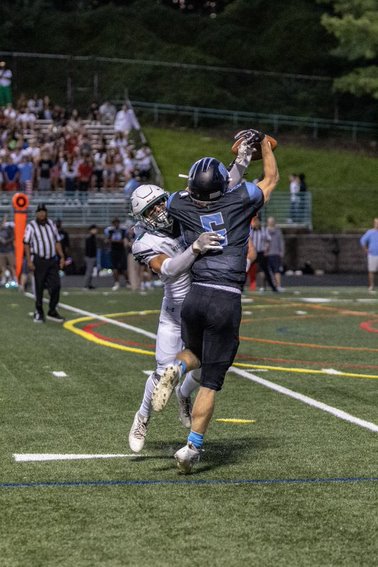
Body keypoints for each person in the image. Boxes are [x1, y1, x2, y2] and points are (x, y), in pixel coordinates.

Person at [153, 131, 279, 473]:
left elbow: (214, 187)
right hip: (225, 297)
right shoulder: (240, 199)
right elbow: (270, 179)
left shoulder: (180, 203)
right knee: (210, 380)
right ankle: (192, 449)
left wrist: (236, 162)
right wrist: (263, 147)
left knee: (193, 353)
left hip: (195, 295)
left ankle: (175, 368)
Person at [128, 184, 224, 452]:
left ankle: (183, 395)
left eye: (160, 203)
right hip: (175, 313)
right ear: (143, 217)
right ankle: (142, 417)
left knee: (207, 367)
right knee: (162, 374)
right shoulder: (143, 242)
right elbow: (168, 269)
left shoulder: (183, 214)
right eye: (151, 209)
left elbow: (214, 185)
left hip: (203, 306)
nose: (159, 210)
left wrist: (241, 159)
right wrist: (194, 248)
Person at [23, 204, 65, 323]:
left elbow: (57, 240)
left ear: (46, 213)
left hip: (52, 260)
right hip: (39, 259)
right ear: (36, 213)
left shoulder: (51, 224)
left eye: (43, 211)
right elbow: (26, 243)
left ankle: (52, 310)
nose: (41, 214)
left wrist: (61, 256)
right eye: (39, 212)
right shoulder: (31, 226)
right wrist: (29, 260)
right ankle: (39, 311)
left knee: (56, 285)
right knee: (39, 287)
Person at [249, 215, 278, 292]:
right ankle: (240, 287)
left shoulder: (264, 230)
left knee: (266, 271)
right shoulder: (251, 231)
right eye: (254, 221)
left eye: (257, 221)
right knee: (246, 268)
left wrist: (266, 250)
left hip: (261, 253)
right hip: (253, 253)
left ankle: (273, 287)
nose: (256, 223)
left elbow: (268, 240)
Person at [104, 218, 129, 291]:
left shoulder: (123, 230)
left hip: (121, 251)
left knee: (124, 268)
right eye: (114, 223)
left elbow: (124, 241)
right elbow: (107, 240)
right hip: (113, 251)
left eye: (117, 223)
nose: (116, 224)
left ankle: (127, 282)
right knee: (114, 268)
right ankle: (116, 283)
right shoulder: (110, 231)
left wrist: (114, 241)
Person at [266, 216, 285, 291]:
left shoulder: (278, 231)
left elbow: (281, 242)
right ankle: (268, 286)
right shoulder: (265, 231)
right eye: (269, 222)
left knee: (277, 270)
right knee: (267, 271)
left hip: (276, 253)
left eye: (272, 221)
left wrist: (281, 251)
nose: (271, 223)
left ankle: (278, 285)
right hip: (267, 254)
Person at [360, 218, 378, 293]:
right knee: (371, 271)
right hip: (372, 254)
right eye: (376, 223)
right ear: (374, 224)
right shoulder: (370, 232)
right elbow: (362, 240)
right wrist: (366, 249)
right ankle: (371, 285)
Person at [0, 216, 16, 284]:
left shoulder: (9, 228)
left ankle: (15, 279)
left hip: (9, 250)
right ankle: (4, 279)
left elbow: (13, 237)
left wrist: (6, 241)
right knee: (2, 266)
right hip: (1, 251)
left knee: (12, 266)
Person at [83, 224, 98, 290]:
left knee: (91, 271)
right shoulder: (89, 238)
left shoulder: (94, 237)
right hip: (89, 257)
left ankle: (89, 284)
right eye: (94, 229)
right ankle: (86, 285)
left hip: (92, 257)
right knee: (89, 272)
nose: (96, 231)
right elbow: (89, 249)